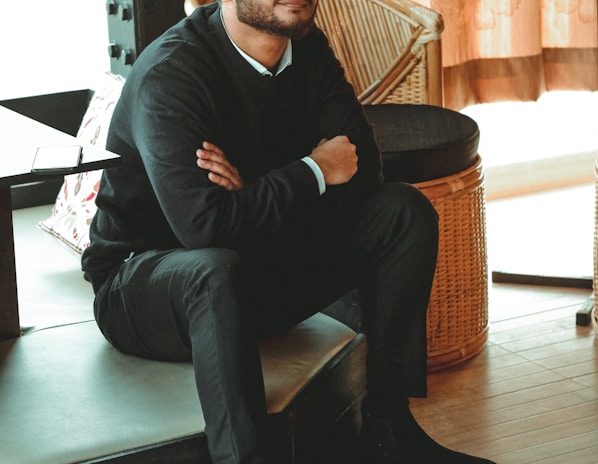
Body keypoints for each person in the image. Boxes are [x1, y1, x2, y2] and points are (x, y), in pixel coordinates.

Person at [82, 1, 496, 463]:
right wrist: (312, 170)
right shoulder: (173, 71)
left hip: (254, 260)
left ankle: (387, 433)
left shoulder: (307, 47)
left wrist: (250, 191)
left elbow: (363, 175)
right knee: (213, 268)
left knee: (402, 211)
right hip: (143, 287)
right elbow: (204, 228)